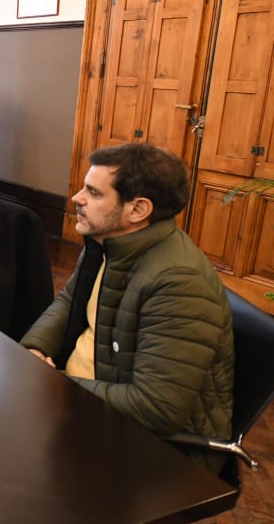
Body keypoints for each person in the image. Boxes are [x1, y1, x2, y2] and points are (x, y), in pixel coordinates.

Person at [20, 143, 233, 472]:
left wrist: (56, 385)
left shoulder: (178, 282)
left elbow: (157, 408)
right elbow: (68, 303)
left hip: (152, 450)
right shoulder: (108, 242)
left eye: (93, 192)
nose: (77, 198)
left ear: (137, 210)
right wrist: (34, 350)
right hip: (85, 401)